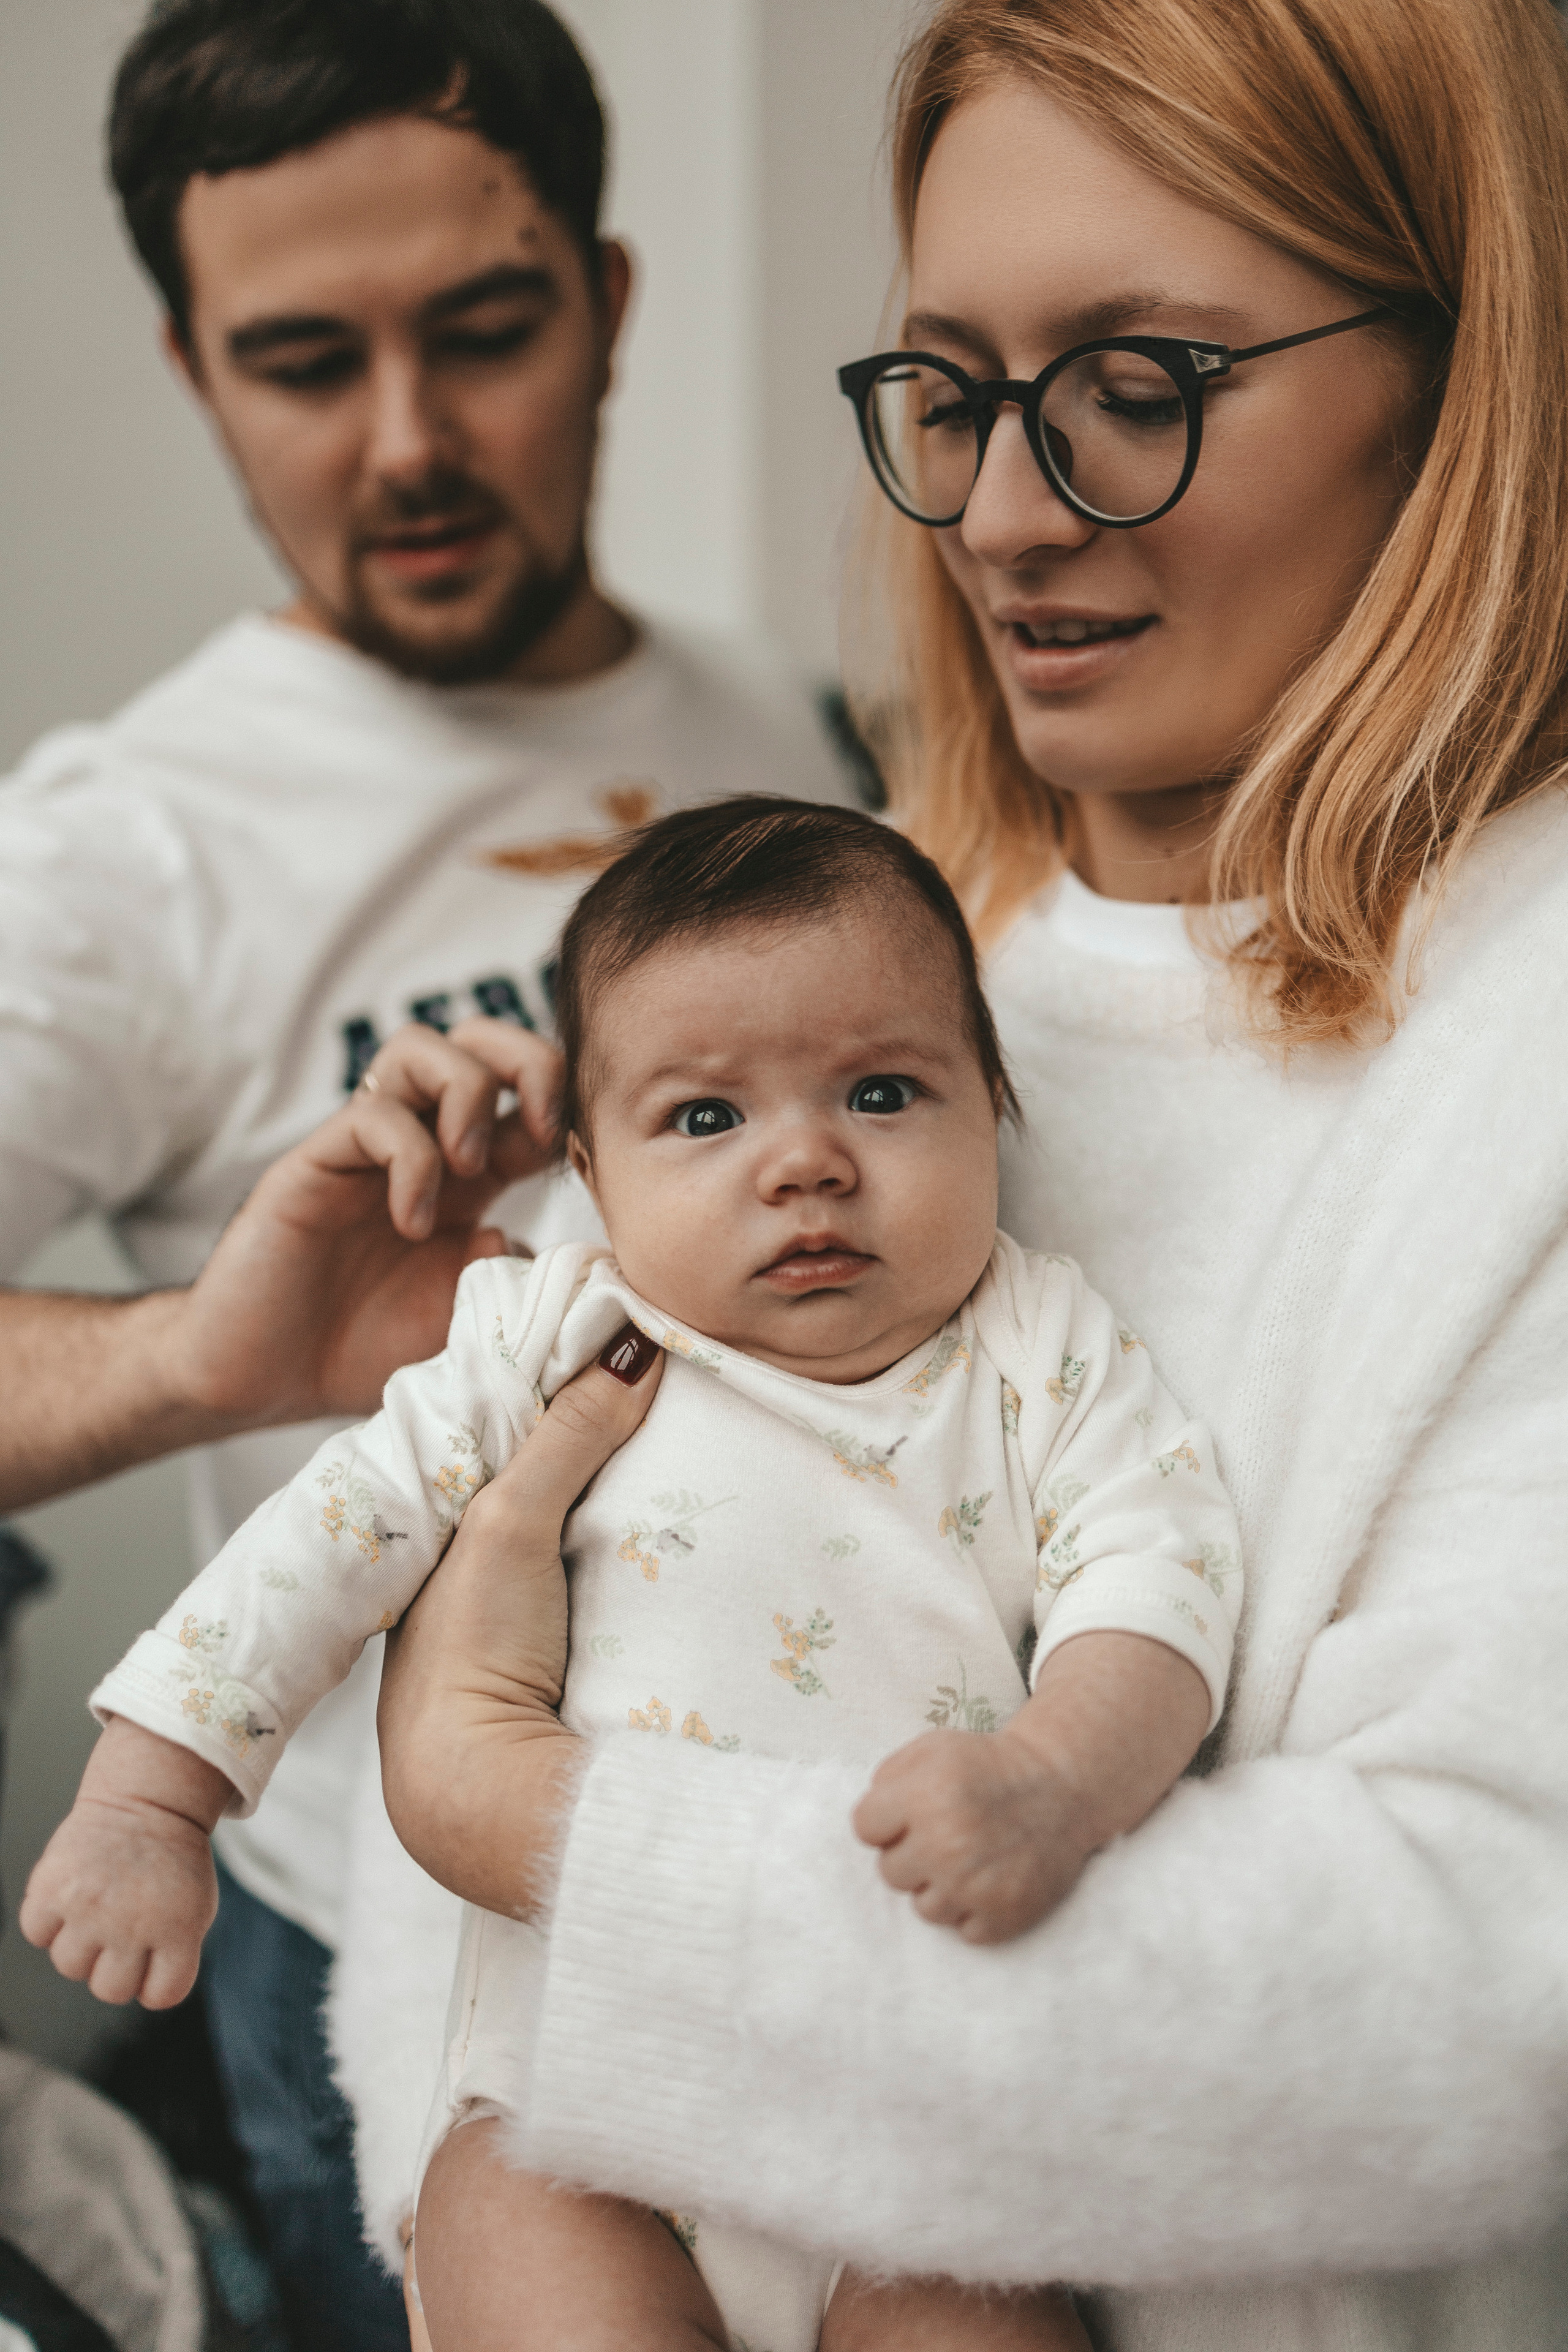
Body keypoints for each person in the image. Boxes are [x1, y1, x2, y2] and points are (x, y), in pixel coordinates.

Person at [329, 0, 1568, 2346]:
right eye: (955, 390)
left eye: (1140, 385)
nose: (1004, 511)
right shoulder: (870, 975)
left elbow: (1489, 1985)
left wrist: (571, 1855)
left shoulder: (1529, 1050)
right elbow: (506, 1727)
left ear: (1462, 375)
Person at [0, 2, 852, 2342]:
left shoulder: (784, 723)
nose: (407, 444)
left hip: (805, 1888)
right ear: (193, 370)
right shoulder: (121, 852)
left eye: (484, 331)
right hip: (379, 1972)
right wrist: (203, 1355)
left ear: (609, 298)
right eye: (300, 361)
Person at [26, 798, 1246, 2352]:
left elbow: (1158, 1575)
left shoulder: (1036, 1347)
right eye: (704, 1119)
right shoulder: (549, 1337)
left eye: (880, 1093)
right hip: (576, 2095)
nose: (805, 1161)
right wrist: (153, 1794)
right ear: (591, 1178)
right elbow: (325, 1539)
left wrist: (1056, 1781)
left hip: (919, 2095)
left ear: (990, 1109)